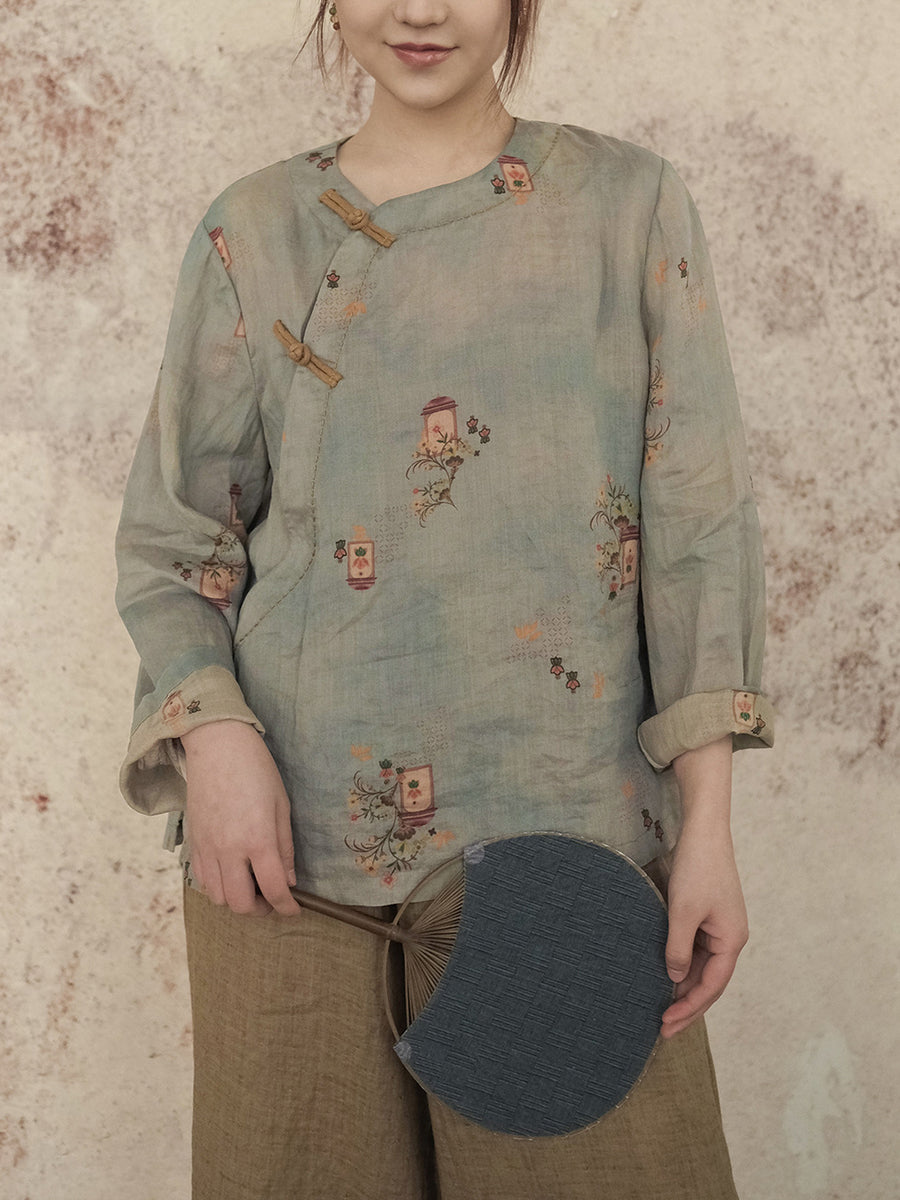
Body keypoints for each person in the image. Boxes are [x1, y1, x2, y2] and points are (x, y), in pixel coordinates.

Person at [115, 1, 774, 1196]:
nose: (419, 10)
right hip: (288, 866)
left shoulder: (628, 207)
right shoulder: (252, 229)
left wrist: (710, 829)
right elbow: (180, 539)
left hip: (571, 856)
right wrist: (212, 742)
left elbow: (699, 531)